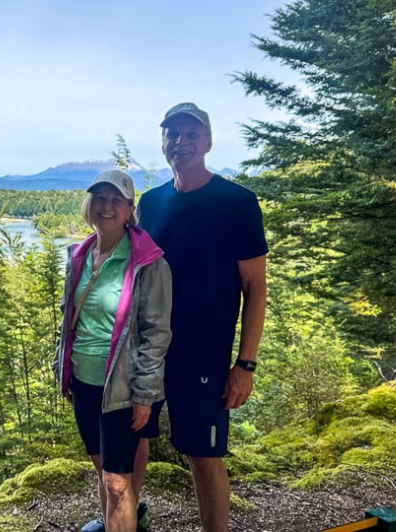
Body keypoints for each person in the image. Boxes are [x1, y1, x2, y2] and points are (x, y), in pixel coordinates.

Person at [137, 103, 268, 532]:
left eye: (191, 134)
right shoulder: (150, 203)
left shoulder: (238, 203)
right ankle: (125, 518)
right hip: (148, 351)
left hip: (204, 357)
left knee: (204, 455)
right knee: (133, 439)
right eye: (173, 134)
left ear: (208, 142)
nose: (181, 142)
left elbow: (255, 288)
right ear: (163, 144)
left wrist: (244, 365)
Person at [54, 169, 172, 532]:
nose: (106, 206)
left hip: (121, 388)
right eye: (100, 199)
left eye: (115, 200)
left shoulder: (148, 263)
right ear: (90, 205)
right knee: (104, 469)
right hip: (84, 382)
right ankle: (123, 523)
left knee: (117, 483)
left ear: (129, 209)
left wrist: (145, 395)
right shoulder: (81, 254)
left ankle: (122, 520)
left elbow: (157, 333)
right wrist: (64, 372)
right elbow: (69, 320)